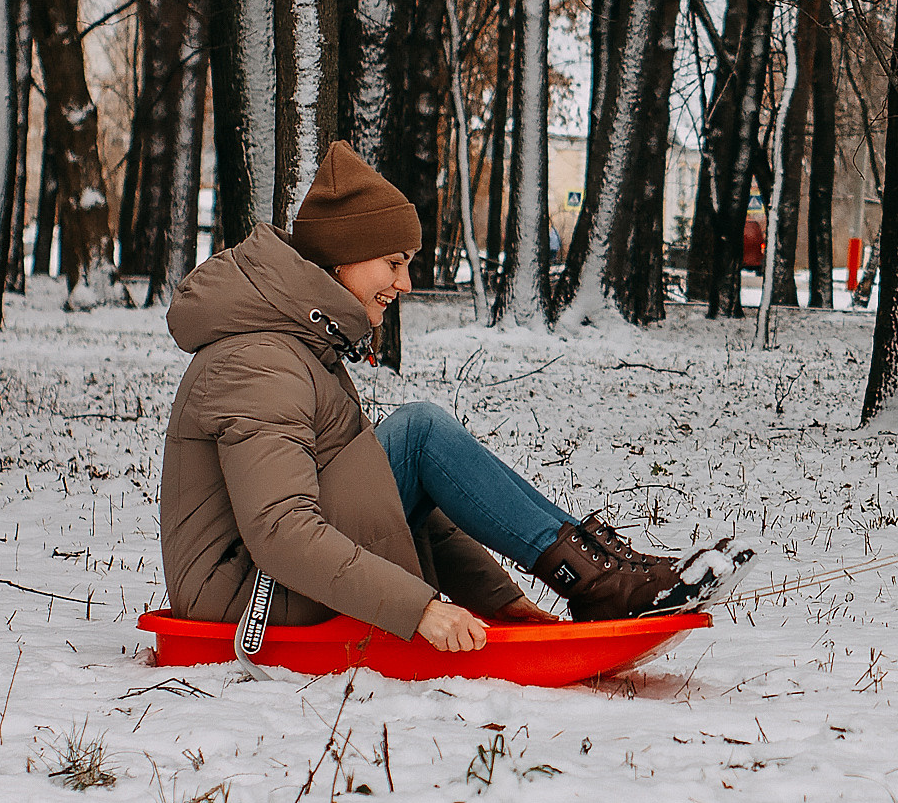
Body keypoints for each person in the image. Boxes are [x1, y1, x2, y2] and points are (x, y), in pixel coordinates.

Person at [160, 142, 751, 653]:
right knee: (418, 434)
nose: (405, 284)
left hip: (266, 579)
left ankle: (608, 576)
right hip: (248, 597)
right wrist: (418, 610)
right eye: (393, 262)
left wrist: (504, 604)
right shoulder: (258, 360)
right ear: (341, 259)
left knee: (416, 447)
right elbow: (282, 532)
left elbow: (398, 498)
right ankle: (601, 582)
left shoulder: (295, 345)